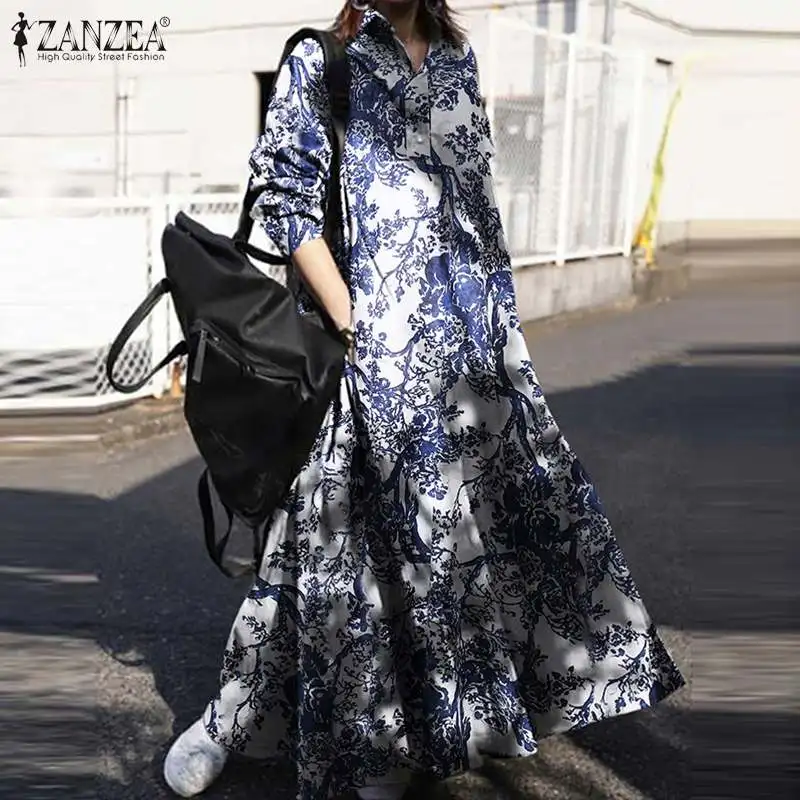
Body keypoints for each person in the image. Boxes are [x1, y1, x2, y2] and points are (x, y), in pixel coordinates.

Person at [163, 1, 685, 798]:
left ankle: (410, 735)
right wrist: (355, 323)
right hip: (364, 353)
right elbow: (287, 206)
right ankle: (232, 718)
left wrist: (500, 335)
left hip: (466, 355)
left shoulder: (455, 62)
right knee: (321, 552)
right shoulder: (323, 62)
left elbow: (475, 209)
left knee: (464, 549)